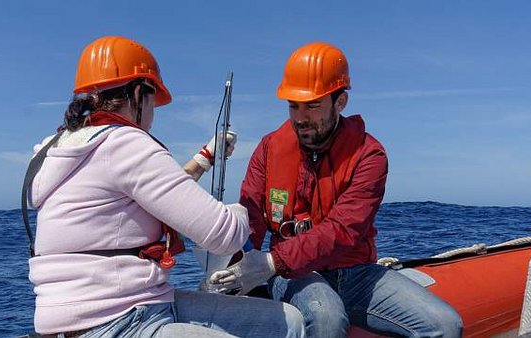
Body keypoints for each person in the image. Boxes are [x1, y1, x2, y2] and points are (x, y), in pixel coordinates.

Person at [26, 36, 304, 338]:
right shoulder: (126, 143)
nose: (153, 116)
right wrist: (239, 211)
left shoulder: (56, 150)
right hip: (117, 321)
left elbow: (154, 194)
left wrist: (205, 157)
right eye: (152, 102)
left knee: (287, 320)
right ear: (138, 93)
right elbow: (224, 236)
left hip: (112, 310)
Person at [209, 42, 463, 337]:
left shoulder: (369, 155)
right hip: (293, 274)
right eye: (293, 105)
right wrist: (235, 269)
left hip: (356, 274)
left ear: (340, 102)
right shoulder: (268, 149)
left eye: (313, 105)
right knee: (325, 315)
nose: (300, 117)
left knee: (445, 325)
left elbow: (344, 229)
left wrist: (270, 261)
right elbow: (250, 217)